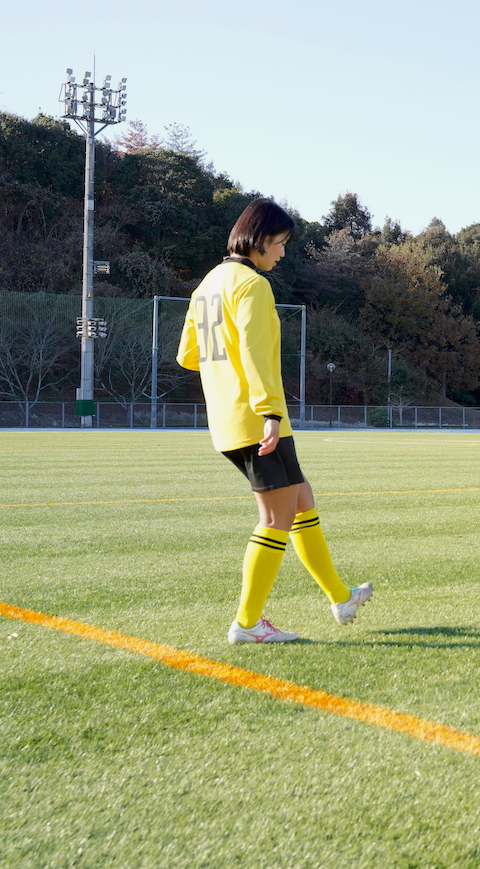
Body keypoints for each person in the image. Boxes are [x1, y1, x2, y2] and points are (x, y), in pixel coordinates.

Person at [177, 198, 372, 643]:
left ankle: (341, 597)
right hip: (257, 418)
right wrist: (268, 411)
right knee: (275, 518)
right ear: (261, 239)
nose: (282, 253)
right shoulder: (251, 284)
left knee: (300, 498)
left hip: (231, 418)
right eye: (281, 244)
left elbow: (188, 355)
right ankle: (247, 624)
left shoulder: (208, 283)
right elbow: (252, 352)